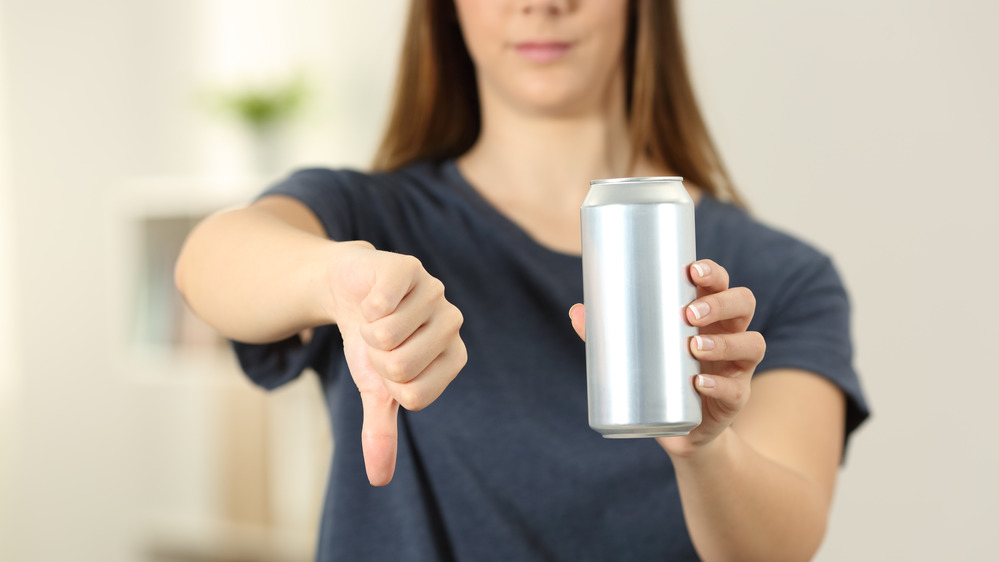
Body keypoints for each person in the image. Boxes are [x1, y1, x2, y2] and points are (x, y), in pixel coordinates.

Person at [175, 1, 869, 560]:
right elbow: (208, 260)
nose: (542, 6)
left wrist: (704, 446)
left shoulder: (782, 277)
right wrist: (334, 278)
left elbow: (783, 544)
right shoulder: (367, 218)